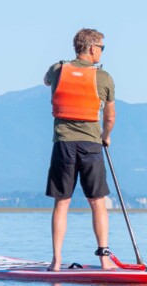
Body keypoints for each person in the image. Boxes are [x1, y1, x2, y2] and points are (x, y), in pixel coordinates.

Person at [44, 28, 117, 272]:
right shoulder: (103, 77)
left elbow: (46, 81)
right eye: (102, 48)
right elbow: (109, 118)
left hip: (63, 144)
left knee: (62, 202)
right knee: (97, 202)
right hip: (91, 146)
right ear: (92, 49)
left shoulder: (57, 70)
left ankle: (56, 261)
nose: (102, 53)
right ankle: (104, 258)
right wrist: (106, 138)